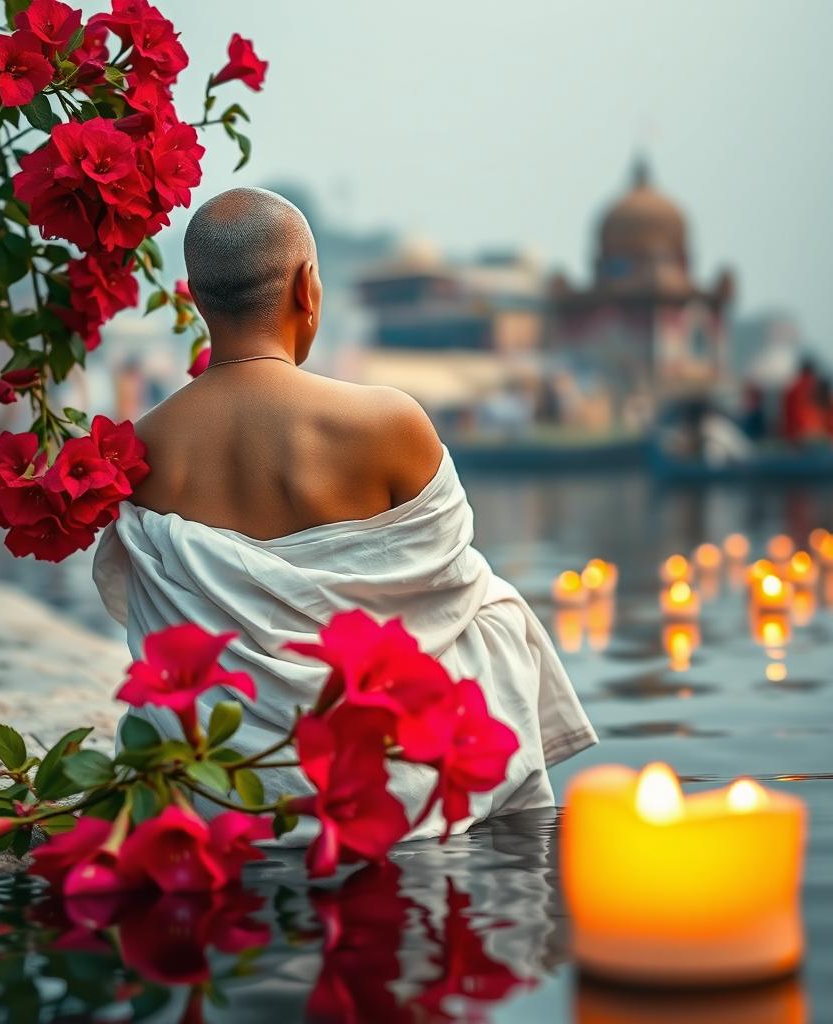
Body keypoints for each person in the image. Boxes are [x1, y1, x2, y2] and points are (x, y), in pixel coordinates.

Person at [93, 188, 596, 842]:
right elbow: (450, 588)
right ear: (309, 288)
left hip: (229, 781)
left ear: (193, 298)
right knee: (495, 607)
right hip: (383, 767)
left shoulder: (146, 450)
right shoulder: (388, 421)